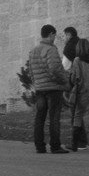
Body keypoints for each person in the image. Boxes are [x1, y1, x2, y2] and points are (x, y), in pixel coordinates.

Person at [28, 24, 70, 154]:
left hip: (40, 88)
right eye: (54, 35)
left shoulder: (33, 50)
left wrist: (37, 84)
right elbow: (55, 69)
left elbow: (31, 71)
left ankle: (39, 146)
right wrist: (64, 80)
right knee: (54, 117)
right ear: (51, 34)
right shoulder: (51, 49)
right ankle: (55, 146)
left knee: (40, 118)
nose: (55, 38)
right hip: (53, 88)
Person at [62, 26, 87, 148]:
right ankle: (83, 141)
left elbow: (64, 67)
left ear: (69, 35)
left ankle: (79, 141)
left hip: (74, 84)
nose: (64, 38)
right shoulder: (83, 46)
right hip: (88, 83)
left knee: (75, 112)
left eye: (65, 36)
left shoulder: (69, 49)